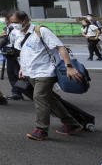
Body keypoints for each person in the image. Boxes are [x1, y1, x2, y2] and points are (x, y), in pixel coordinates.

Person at [9, 10, 84, 141]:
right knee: (49, 99)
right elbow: (23, 51)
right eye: (12, 22)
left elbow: (61, 48)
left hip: (46, 71)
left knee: (39, 97)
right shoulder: (16, 33)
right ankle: (71, 123)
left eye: (16, 22)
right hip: (30, 71)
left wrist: (69, 66)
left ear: (26, 20)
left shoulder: (41, 31)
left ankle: (41, 129)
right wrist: (22, 67)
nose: (14, 25)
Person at [0, 10, 23, 101]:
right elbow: (8, 39)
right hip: (10, 52)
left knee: (17, 73)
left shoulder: (13, 27)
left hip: (16, 53)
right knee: (11, 73)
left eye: (3, 17)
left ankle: (19, 92)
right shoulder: (8, 27)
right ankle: (17, 92)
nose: (2, 19)